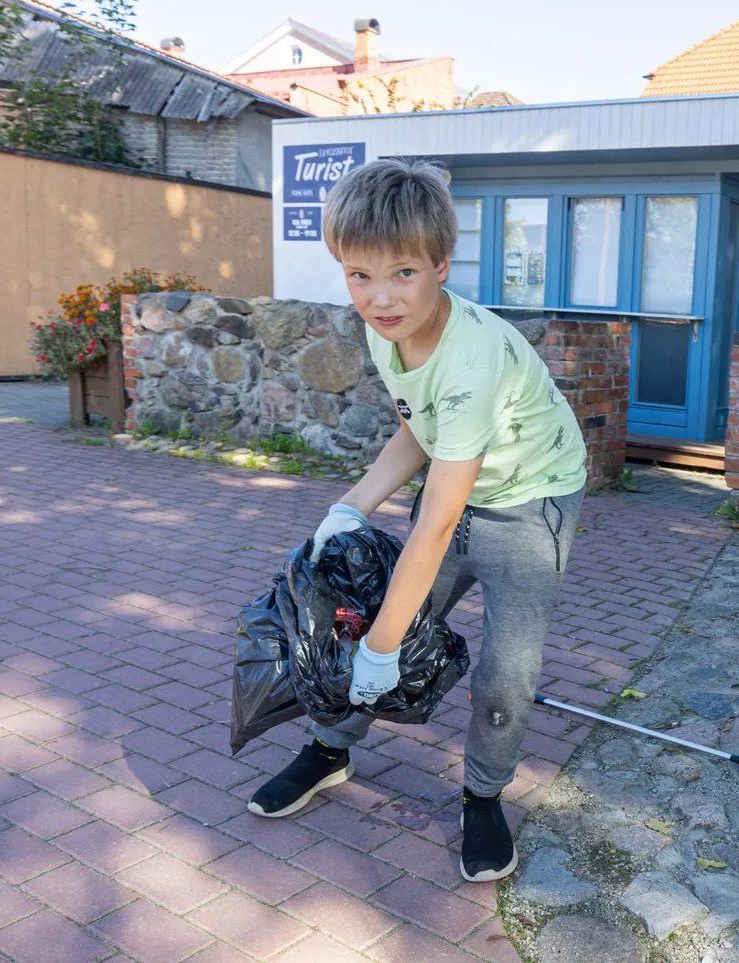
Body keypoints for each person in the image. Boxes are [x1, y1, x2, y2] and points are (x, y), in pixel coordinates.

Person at [246, 158, 586, 884]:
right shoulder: (387, 330)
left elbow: (432, 528)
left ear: (441, 264)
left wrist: (382, 647)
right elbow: (419, 427)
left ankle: (484, 796)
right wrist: (352, 505)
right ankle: (329, 749)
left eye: (402, 272)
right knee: (371, 616)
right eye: (358, 275)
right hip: (461, 484)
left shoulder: (473, 361)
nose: (379, 297)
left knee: (503, 674)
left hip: (533, 502)